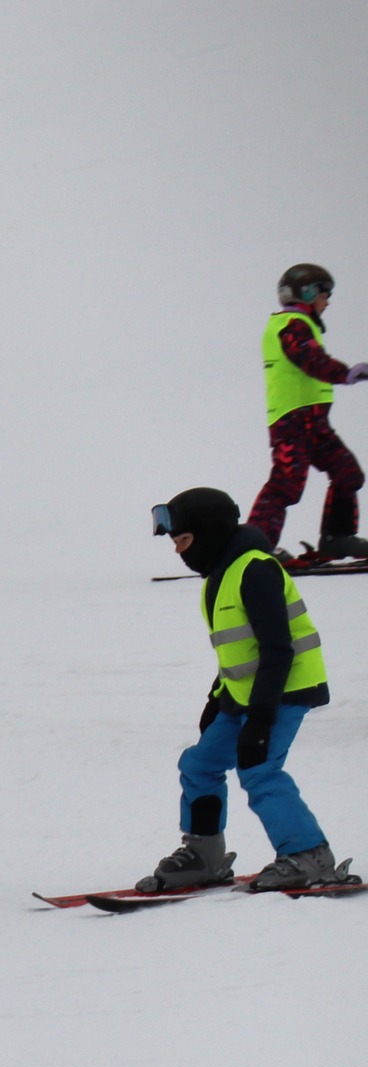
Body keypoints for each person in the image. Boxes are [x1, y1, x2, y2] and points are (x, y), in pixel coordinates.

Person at [137, 488, 355, 894]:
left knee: (259, 768)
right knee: (200, 764)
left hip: (285, 690)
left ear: (209, 533)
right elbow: (238, 649)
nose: (179, 552)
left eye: (183, 542)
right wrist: (216, 698)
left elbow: (277, 649)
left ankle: (308, 855)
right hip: (246, 696)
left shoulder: (255, 570)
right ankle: (205, 854)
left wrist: (260, 718)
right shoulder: (220, 576)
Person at [247, 264, 368, 559]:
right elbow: (309, 359)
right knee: (286, 483)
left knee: (347, 473)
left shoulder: (301, 324)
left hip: (315, 422)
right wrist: (345, 373)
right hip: (293, 421)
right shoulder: (291, 324)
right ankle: (254, 548)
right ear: (310, 293)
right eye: (325, 295)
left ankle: (337, 537)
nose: (327, 302)